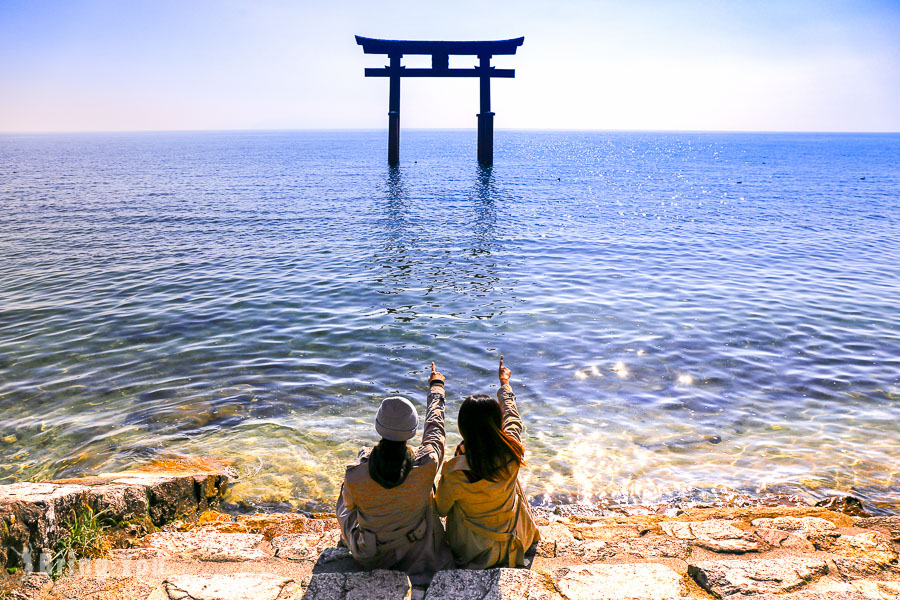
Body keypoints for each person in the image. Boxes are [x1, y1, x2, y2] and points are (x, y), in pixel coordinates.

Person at [336, 361, 455, 585]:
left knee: (345, 494)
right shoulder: (428, 461)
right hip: (417, 547)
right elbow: (435, 427)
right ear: (412, 430)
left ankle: (346, 541)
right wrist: (436, 386)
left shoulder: (357, 473)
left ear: (378, 425)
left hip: (371, 555)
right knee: (427, 491)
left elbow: (350, 508)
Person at [435, 356, 540, 569]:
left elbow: (440, 509)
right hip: (515, 539)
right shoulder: (513, 450)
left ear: (463, 427)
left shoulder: (456, 472)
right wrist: (504, 383)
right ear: (497, 422)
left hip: (472, 550)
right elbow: (512, 416)